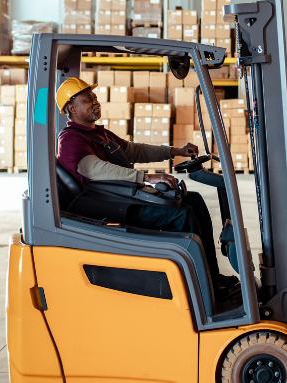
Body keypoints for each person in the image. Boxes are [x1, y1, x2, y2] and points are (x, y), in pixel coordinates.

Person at [54, 77, 236, 298]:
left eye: (94, 97)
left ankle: (211, 276)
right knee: (181, 215)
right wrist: (144, 177)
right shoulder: (70, 139)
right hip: (108, 205)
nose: (95, 101)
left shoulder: (97, 133)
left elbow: (133, 151)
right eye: (87, 99)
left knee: (194, 200)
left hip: (120, 195)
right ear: (72, 108)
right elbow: (93, 169)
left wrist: (174, 151)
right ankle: (199, 287)